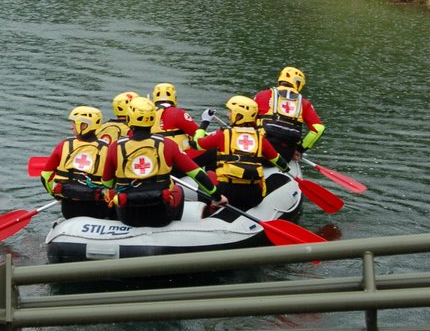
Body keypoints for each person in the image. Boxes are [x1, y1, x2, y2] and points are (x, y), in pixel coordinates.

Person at [101, 95, 226, 227]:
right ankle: (174, 229)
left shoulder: (115, 147)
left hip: (127, 215)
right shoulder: (168, 145)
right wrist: (217, 197)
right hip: (160, 214)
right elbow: (197, 174)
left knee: (114, 194)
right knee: (178, 190)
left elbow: (107, 183)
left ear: (128, 118)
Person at [189, 95, 289, 210]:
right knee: (261, 180)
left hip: (226, 193)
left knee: (207, 177)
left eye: (230, 111)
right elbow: (279, 162)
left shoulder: (223, 135)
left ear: (239, 115)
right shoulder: (260, 138)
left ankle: (211, 209)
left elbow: (196, 143)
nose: (228, 115)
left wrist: (205, 122)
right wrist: (286, 169)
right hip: (253, 197)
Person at [39, 106, 110, 219]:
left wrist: (56, 195)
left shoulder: (64, 145)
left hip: (69, 208)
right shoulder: (108, 148)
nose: (71, 127)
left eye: (74, 123)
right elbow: (112, 182)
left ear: (84, 125)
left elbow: (45, 177)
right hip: (98, 208)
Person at [254, 66, 325, 162]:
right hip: (286, 154)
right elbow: (319, 129)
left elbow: (248, 118)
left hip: (260, 150)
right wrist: (299, 149)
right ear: (298, 84)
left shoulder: (262, 95)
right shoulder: (304, 103)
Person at [151, 82, 203, 149]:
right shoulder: (177, 113)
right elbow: (198, 134)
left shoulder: (148, 113)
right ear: (174, 97)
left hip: (154, 154)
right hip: (178, 153)